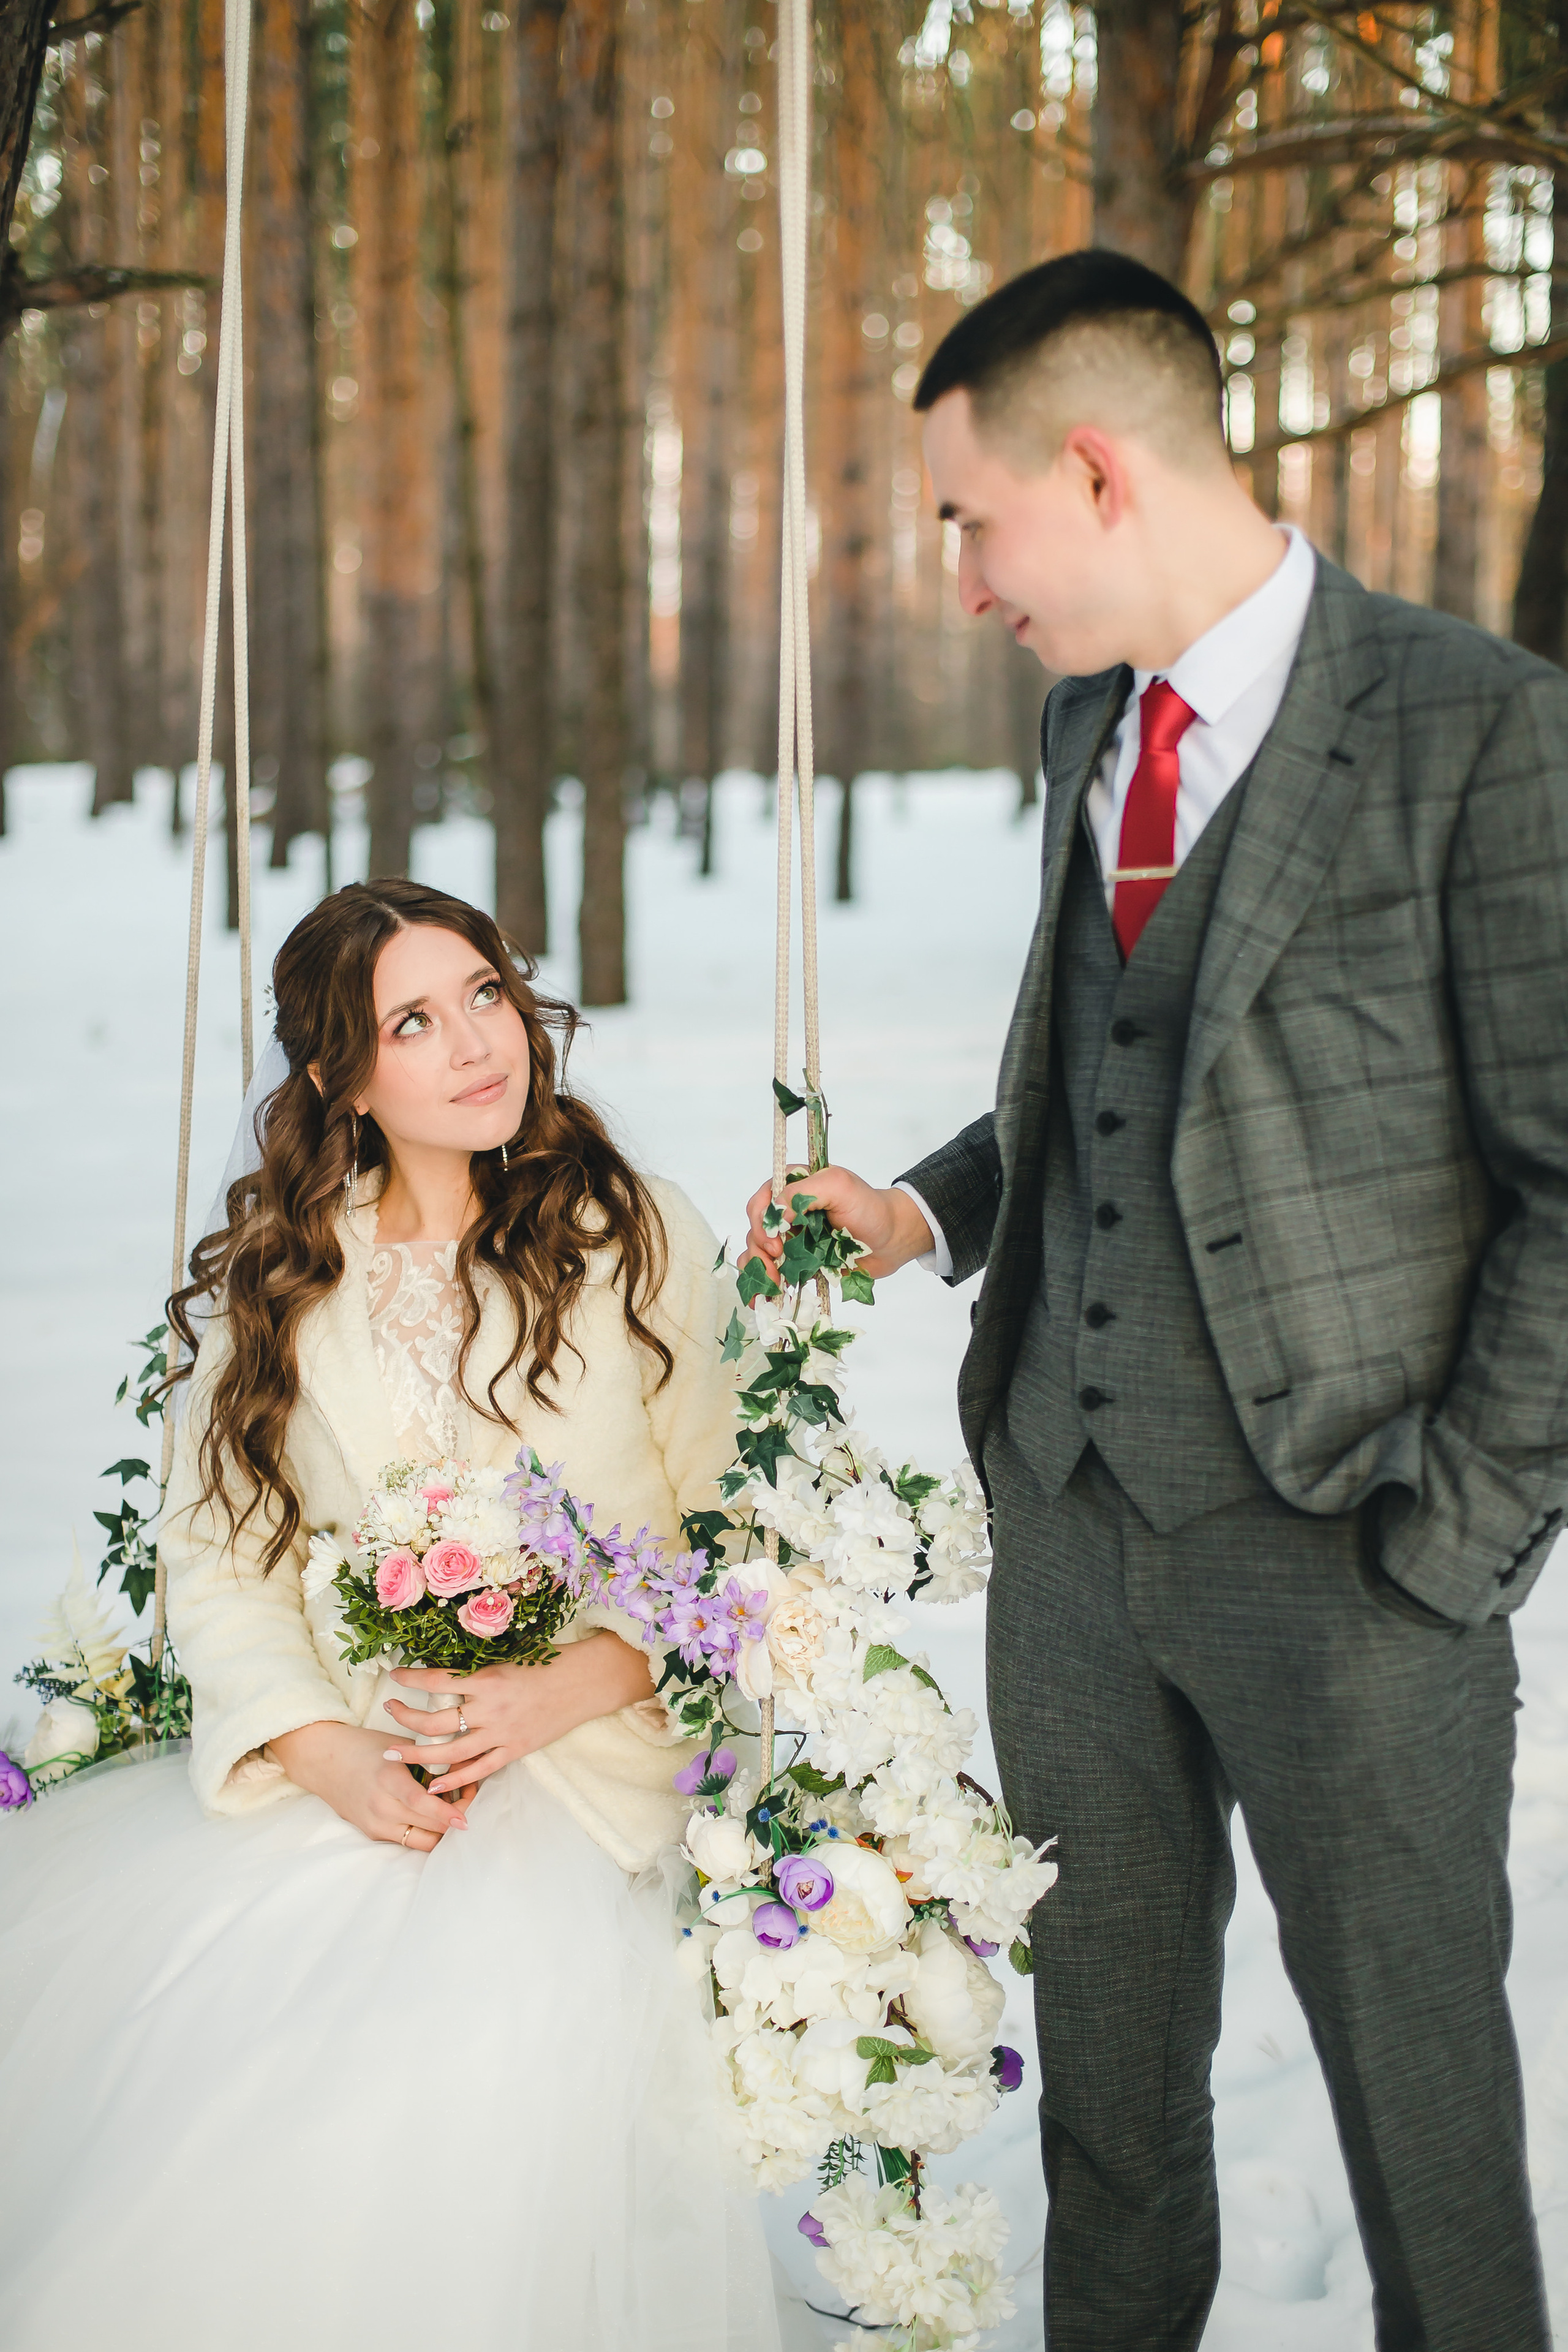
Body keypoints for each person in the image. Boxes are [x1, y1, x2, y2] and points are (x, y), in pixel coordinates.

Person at [745, 248, 1561, 2351]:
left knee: (1428, 2146)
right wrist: (921, 1213)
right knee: (1109, 2122)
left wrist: (1449, 1552)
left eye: (971, 519)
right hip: (1073, 1547)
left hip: (1355, 1568)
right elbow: (1096, 1072)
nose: (965, 580)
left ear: (1096, 472)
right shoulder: (1079, 726)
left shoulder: (1482, 729)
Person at [1, 879, 783, 2352]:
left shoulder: (636, 1238)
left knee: (459, 2059)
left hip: (590, 1776)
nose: (477, 1045)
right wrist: (320, 1752)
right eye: (412, 1023)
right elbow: (220, 1558)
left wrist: (566, 1689)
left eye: (486, 993)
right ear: (337, 1078)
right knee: (229, 2062)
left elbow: (728, 1532)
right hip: (365, 1765)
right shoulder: (283, 1280)